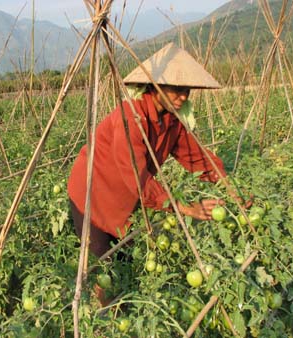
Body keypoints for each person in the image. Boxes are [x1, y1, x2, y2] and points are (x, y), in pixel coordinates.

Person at [68, 42, 229, 260]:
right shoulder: (131, 117)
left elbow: (196, 157)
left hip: (126, 200)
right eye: (177, 90)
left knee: (129, 260)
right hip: (93, 195)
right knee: (100, 266)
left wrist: (229, 186)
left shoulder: (172, 121)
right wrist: (186, 208)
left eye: (187, 91)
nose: (184, 97)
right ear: (156, 86)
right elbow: (137, 177)